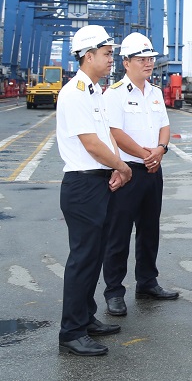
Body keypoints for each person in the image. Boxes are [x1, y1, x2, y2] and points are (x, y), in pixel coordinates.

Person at [56, 25, 132, 356]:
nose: (111, 58)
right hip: (83, 184)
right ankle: (71, 332)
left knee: (94, 256)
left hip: (98, 181)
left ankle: (85, 318)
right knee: (83, 259)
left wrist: (114, 167)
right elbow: (90, 144)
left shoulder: (94, 92)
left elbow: (106, 138)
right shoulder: (74, 93)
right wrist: (123, 167)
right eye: (107, 53)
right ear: (89, 56)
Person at [103, 33, 178, 318]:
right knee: (118, 233)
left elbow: (164, 127)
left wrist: (160, 149)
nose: (149, 63)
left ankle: (147, 282)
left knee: (149, 230)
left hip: (153, 170)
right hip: (127, 172)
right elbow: (114, 132)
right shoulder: (115, 94)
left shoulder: (155, 93)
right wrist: (145, 154)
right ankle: (114, 292)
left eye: (151, 59)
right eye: (142, 59)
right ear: (126, 62)